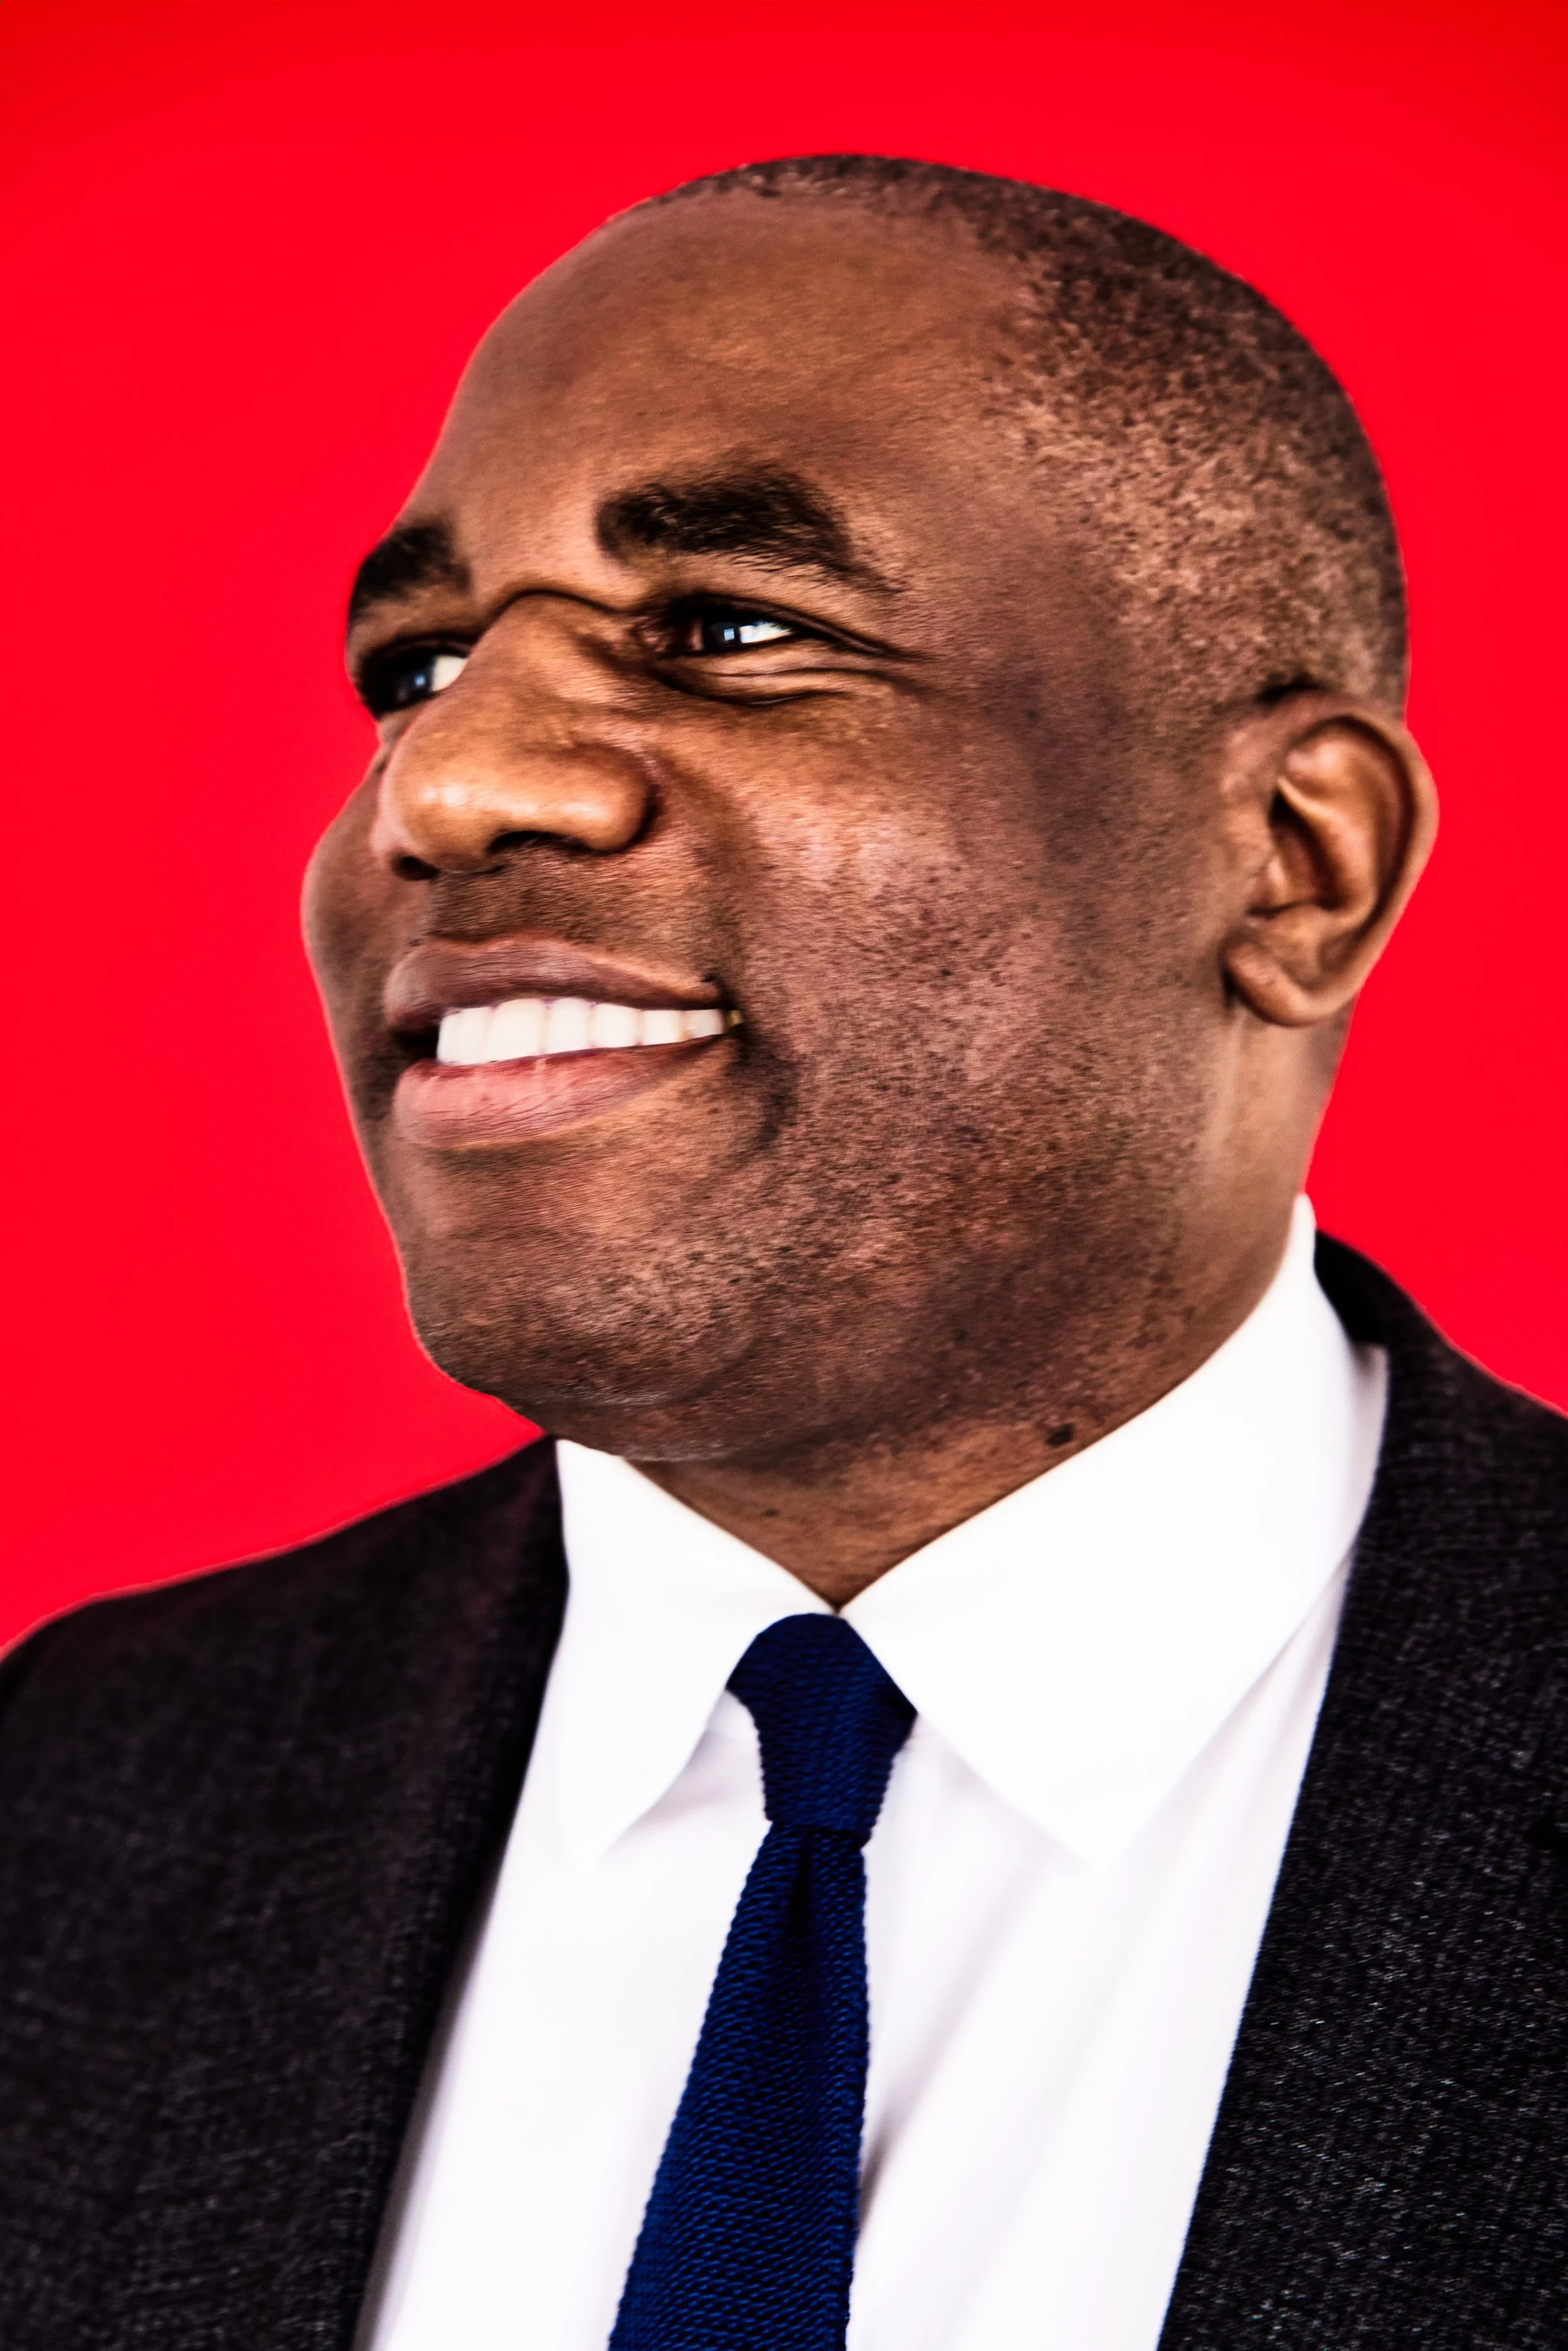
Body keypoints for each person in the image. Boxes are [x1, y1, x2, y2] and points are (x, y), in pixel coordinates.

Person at [0, 154, 1562, 2351]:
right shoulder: (74, 1806)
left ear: (1293, 866)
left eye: (730, 629)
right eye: (419, 659)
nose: (442, 785)